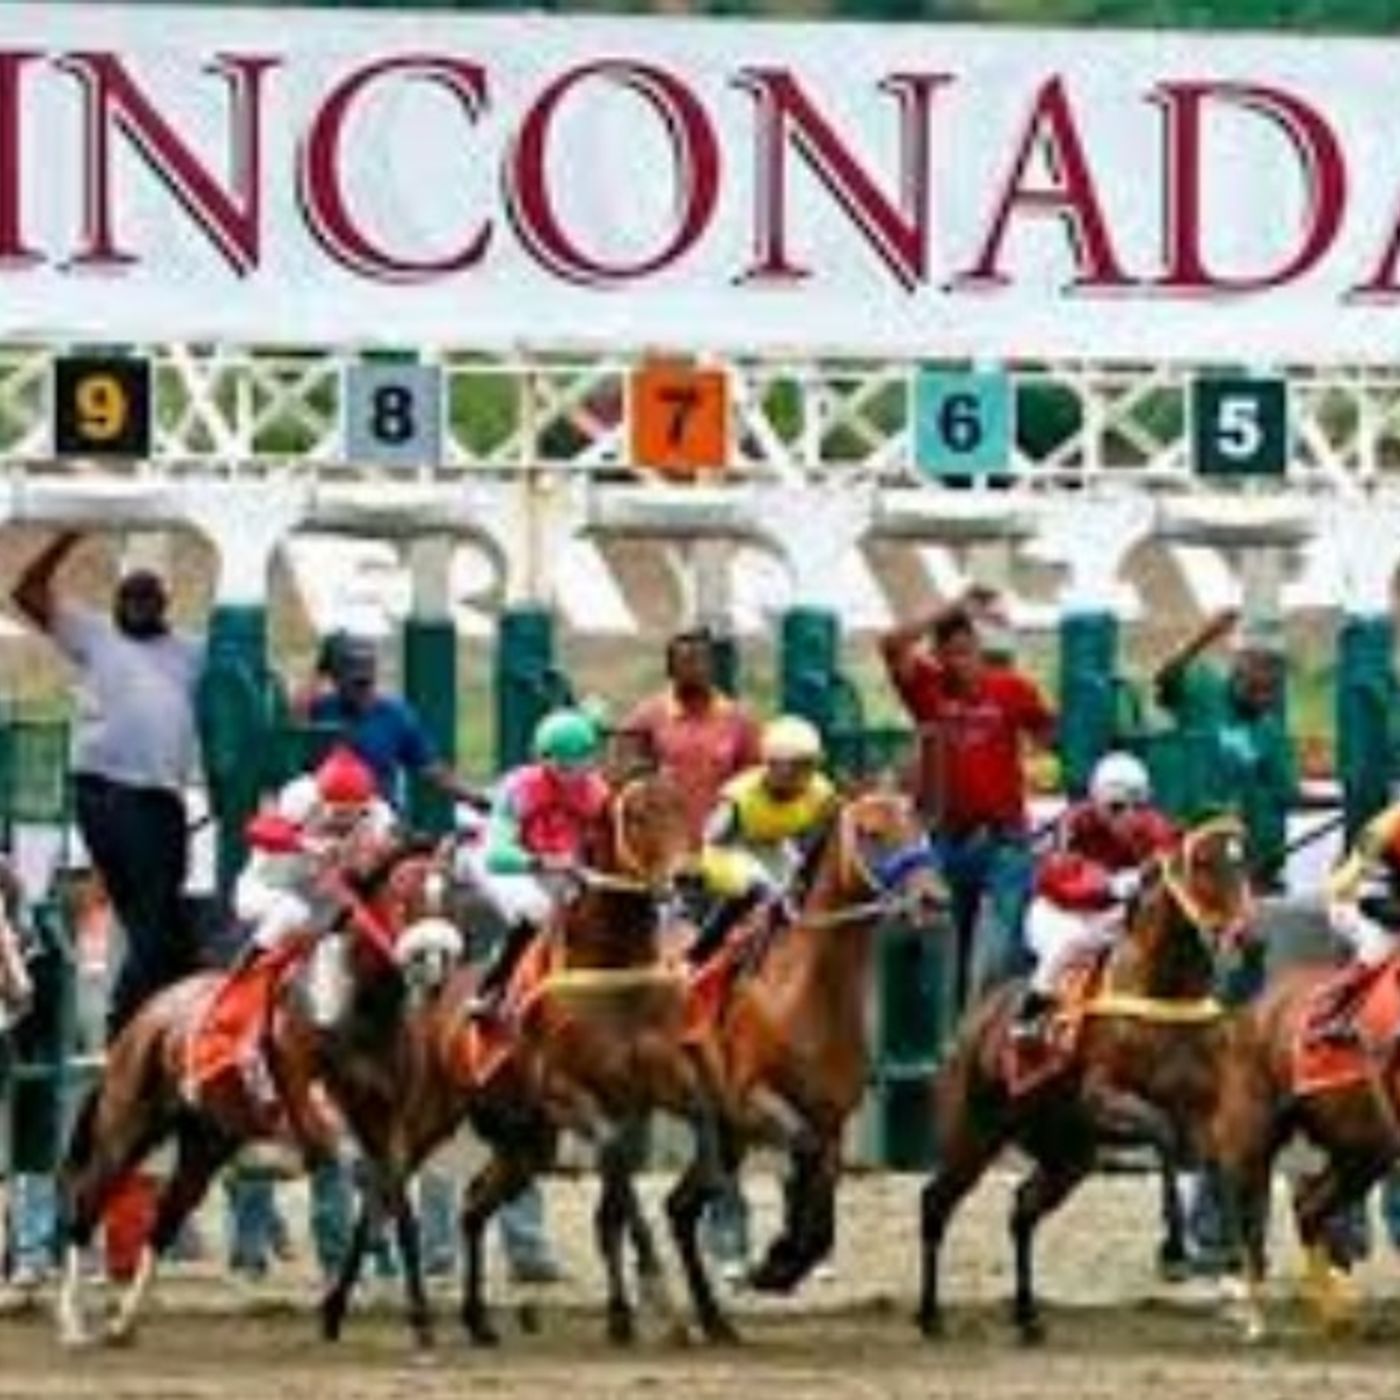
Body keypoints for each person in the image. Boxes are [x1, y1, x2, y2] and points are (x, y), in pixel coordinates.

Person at [10, 530, 204, 1038]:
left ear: (165, 605)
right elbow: (26, 594)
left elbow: (250, 681)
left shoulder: (189, 651)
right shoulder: (95, 634)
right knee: (154, 915)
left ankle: (160, 1019)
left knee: (165, 922)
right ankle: (126, 1025)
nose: (138, 606)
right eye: (129, 597)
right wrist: (66, 537)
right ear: (116, 603)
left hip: (161, 798)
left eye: (148, 598)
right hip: (110, 793)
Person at [880, 595, 1056, 1010]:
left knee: (1003, 947)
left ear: (980, 650)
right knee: (943, 951)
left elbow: (1048, 732)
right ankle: (950, 1042)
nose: (961, 662)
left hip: (1005, 842)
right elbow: (890, 644)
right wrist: (956, 604)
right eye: (950, 654)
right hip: (948, 839)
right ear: (938, 657)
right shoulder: (927, 689)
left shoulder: (1011, 688)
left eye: (968, 651)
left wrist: (1036, 763)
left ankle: (997, 1031)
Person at [1016, 752, 1177, 1039]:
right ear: (1096, 801)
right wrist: (1109, 885)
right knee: (1067, 944)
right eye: (1117, 807)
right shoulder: (1072, 824)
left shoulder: (1156, 828)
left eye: (1137, 806)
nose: (1128, 816)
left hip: (1113, 916)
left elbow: (1171, 866)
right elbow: (1057, 876)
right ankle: (1031, 1014)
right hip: (1059, 911)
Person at [467, 707, 610, 1018]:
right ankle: (491, 987)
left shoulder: (598, 792)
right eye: (561, 765)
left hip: (560, 866)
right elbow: (497, 854)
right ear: (541, 758)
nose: (572, 775)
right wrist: (545, 862)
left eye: (580, 763)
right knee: (536, 908)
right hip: (506, 863)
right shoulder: (520, 787)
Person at [1153, 608, 1296, 893]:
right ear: (1237, 672)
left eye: (1270, 691)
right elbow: (1165, 677)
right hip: (1188, 839)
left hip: (1245, 860)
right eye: (1255, 688)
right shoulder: (1203, 689)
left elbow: (1285, 792)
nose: (1262, 698)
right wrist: (1203, 638)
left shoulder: (1270, 732)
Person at [691, 716, 838, 966]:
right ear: (771, 764)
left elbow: (827, 836)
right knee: (756, 886)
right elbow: (711, 841)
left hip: (776, 846)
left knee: (797, 892)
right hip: (730, 848)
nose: (801, 775)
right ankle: (698, 954)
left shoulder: (822, 792)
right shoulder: (739, 796)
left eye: (808, 765)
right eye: (794, 766)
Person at [305, 634, 477, 810]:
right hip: (328, 812)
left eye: (367, 683)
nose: (362, 691)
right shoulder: (322, 708)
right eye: (355, 684)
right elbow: (292, 720)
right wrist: (319, 670)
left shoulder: (395, 714)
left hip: (377, 813)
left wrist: (475, 798)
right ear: (336, 680)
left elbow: (431, 768)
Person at [620, 628, 760, 843]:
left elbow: (753, 783)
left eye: (699, 660)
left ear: (712, 666)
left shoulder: (739, 721)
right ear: (670, 669)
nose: (692, 668)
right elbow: (626, 776)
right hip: (663, 846)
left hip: (722, 843)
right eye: (683, 661)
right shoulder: (647, 717)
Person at [1311, 802, 1400, 1041]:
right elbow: (1361, 891)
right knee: (1381, 946)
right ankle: (1335, 1016)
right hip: (1352, 897)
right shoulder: (1384, 828)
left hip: (1391, 898)